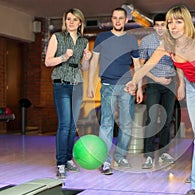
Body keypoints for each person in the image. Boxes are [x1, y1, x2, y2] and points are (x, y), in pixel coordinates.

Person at [125, 5, 195, 195]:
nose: (173, 26)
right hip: (193, 88)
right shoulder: (167, 46)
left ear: (186, 23)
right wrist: (133, 81)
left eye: (178, 21)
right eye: (170, 22)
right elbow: (147, 67)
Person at [87, 7, 143, 175]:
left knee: (126, 124)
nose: (118, 21)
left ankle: (120, 156)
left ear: (126, 20)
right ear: (111, 20)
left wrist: (139, 87)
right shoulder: (102, 38)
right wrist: (90, 84)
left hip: (127, 86)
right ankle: (104, 160)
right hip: (108, 87)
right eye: (114, 18)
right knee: (106, 123)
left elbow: (138, 65)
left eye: (121, 18)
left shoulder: (132, 40)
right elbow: (94, 61)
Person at [44, 8, 91, 178]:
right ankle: (60, 163)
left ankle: (69, 159)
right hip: (61, 84)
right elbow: (48, 61)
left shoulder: (83, 41)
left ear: (80, 23)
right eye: (68, 19)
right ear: (65, 21)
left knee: (72, 126)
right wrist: (64, 57)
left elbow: (83, 68)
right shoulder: (57, 37)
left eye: (75, 19)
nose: (71, 22)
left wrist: (86, 59)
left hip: (77, 84)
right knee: (64, 124)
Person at [139, 13, 177, 169]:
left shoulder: (173, 40)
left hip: (170, 83)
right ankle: (148, 156)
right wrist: (155, 79)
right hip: (153, 83)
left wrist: (180, 86)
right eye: (158, 25)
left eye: (163, 24)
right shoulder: (147, 41)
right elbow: (142, 65)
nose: (161, 28)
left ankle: (163, 153)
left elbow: (179, 64)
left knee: (167, 120)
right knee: (152, 119)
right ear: (154, 26)